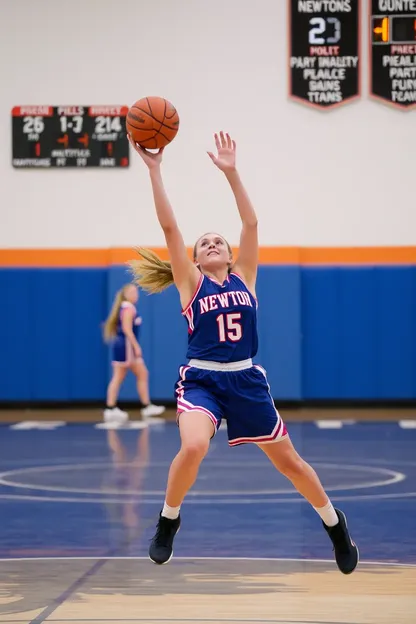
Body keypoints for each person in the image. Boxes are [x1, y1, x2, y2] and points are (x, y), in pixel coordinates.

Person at [127, 131, 358, 574]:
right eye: (204, 244)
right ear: (194, 260)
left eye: (219, 242)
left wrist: (232, 174)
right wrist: (155, 171)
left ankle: (334, 525)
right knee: (194, 446)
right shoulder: (190, 284)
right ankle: (168, 521)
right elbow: (170, 228)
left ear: (231, 257)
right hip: (201, 379)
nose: (213, 244)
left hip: (246, 379)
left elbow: (250, 225)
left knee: (290, 463)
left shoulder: (245, 278)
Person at [103, 283, 165, 422]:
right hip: (126, 347)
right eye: (132, 292)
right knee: (120, 376)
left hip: (123, 346)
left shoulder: (126, 307)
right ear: (126, 294)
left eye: (136, 292)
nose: (135, 295)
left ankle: (145, 406)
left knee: (141, 374)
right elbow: (126, 329)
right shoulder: (128, 308)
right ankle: (111, 408)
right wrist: (136, 346)